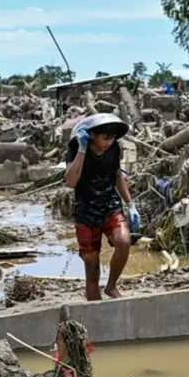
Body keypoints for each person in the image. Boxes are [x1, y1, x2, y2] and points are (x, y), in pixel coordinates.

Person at [65, 114, 140, 301]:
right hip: (86, 211)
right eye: (105, 137)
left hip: (110, 206)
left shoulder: (114, 149)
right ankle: (96, 309)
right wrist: (82, 149)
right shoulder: (76, 147)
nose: (109, 142)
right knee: (92, 270)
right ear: (92, 135)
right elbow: (71, 182)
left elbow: (117, 176)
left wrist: (130, 204)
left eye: (112, 137)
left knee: (123, 241)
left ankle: (111, 286)